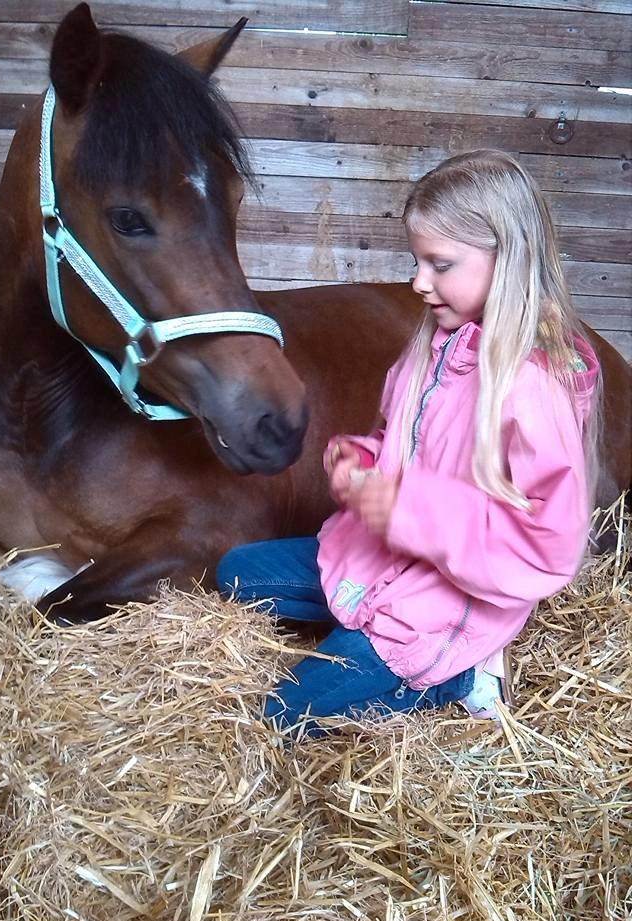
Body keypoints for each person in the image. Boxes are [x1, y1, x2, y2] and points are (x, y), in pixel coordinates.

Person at [216, 149, 601, 736]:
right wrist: (365, 461)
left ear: (507, 262)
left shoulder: (533, 384)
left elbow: (550, 547)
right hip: (381, 560)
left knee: (283, 716)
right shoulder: (434, 346)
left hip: (448, 601)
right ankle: (365, 631)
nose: (419, 283)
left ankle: (459, 677)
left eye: (439, 264)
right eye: (417, 261)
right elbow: (401, 441)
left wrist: (409, 508)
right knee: (237, 573)